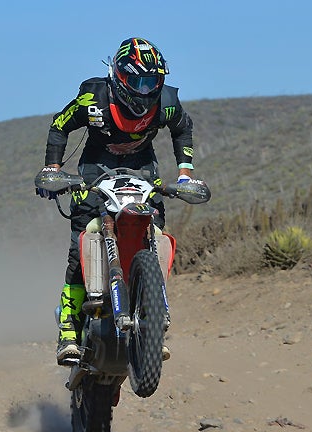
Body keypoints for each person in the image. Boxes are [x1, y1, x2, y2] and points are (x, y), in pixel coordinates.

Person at [36, 37, 196, 365]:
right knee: (82, 236)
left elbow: (183, 129)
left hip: (143, 170)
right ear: (119, 77)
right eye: (137, 80)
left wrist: (185, 173)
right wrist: (53, 169)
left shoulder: (166, 102)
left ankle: (152, 320)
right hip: (94, 169)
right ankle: (69, 325)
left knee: (156, 231)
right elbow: (59, 125)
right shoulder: (92, 100)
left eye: (151, 80)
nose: (144, 88)